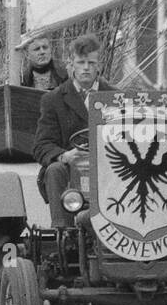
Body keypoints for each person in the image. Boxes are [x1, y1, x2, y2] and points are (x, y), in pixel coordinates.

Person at [32, 34, 111, 226]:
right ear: (71, 64)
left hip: (109, 165)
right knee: (54, 169)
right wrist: (65, 156)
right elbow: (42, 145)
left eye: (91, 63)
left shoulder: (116, 97)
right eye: (81, 62)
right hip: (71, 171)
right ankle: (64, 231)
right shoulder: (53, 99)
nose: (86, 68)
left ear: (99, 65)